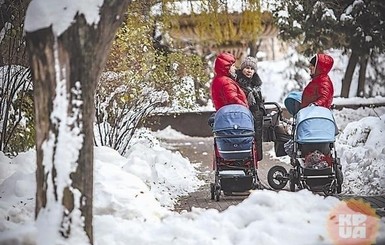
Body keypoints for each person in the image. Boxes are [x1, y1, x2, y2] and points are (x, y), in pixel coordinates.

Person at [235, 56, 266, 161]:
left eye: (252, 69)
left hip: (256, 114)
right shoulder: (237, 81)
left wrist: (261, 107)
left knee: (256, 137)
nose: (249, 71)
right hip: (244, 113)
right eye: (247, 68)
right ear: (242, 68)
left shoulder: (256, 84)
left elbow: (260, 99)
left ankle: (255, 157)